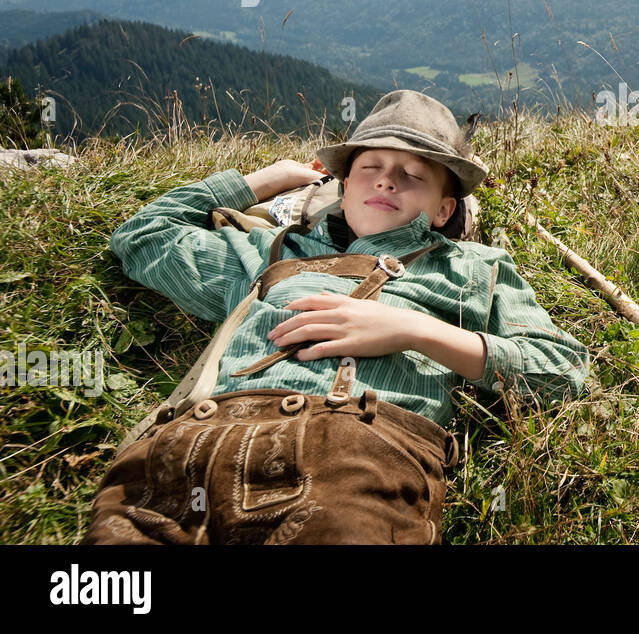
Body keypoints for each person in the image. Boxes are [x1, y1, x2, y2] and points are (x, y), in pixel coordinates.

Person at [82, 90, 589, 544]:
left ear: (442, 210)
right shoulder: (271, 252)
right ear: (341, 189)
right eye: (370, 167)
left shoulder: (475, 267)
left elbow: (563, 373)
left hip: (358, 453)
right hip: (195, 447)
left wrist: (414, 331)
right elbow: (142, 236)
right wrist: (260, 182)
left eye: (413, 174)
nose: (387, 180)